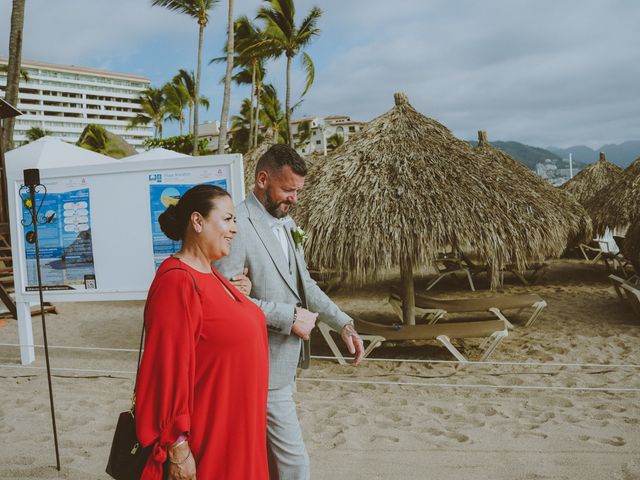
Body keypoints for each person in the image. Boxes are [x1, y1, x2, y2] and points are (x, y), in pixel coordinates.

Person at [215, 144, 366, 479]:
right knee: (295, 462)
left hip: (287, 362)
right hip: (259, 365)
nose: (294, 199)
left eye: (297, 191)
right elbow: (223, 300)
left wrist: (342, 322)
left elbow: (305, 284)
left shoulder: (287, 222)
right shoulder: (237, 226)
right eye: (287, 190)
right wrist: (288, 317)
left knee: (270, 459)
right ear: (262, 179)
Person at [135, 184, 269, 480]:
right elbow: (166, 370)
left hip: (242, 431)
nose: (234, 229)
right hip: (212, 435)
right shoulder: (178, 282)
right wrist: (178, 447)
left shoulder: (213, 275)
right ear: (197, 221)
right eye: (228, 219)